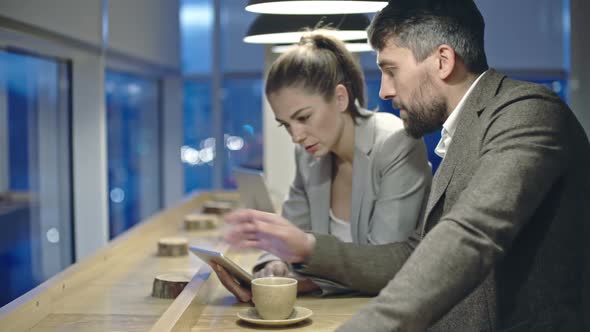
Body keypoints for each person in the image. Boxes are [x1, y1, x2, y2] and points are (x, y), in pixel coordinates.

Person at [223, 1, 590, 331]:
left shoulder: (528, 111)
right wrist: (298, 254)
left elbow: (471, 235)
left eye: (391, 70)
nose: (383, 90)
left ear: (442, 61)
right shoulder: (461, 133)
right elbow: (415, 252)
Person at [214, 30, 432, 301]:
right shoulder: (309, 156)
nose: (296, 136)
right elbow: (290, 232)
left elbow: (386, 268)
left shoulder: (396, 142)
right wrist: (272, 268)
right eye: (286, 125)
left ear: (340, 98)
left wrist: (299, 280)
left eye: (304, 117)